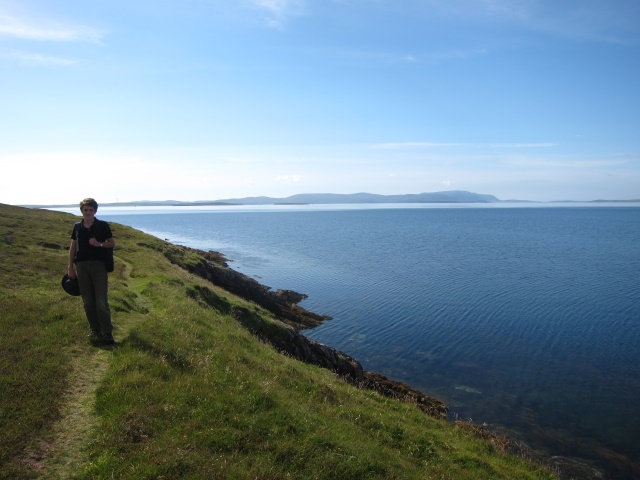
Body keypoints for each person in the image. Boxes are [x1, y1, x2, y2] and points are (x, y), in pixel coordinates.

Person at [67, 198, 116, 344]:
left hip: (99, 267)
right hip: (81, 267)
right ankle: (95, 329)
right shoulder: (77, 227)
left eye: (90, 210)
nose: (88, 212)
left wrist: (98, 244)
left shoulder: (102, 225)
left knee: (101, 301)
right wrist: (70, 267)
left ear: (95, 211)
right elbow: (72, 248)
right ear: (81, 211)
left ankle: (107, 332)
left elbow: (112, 243)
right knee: (88, 301)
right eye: (85, 210)